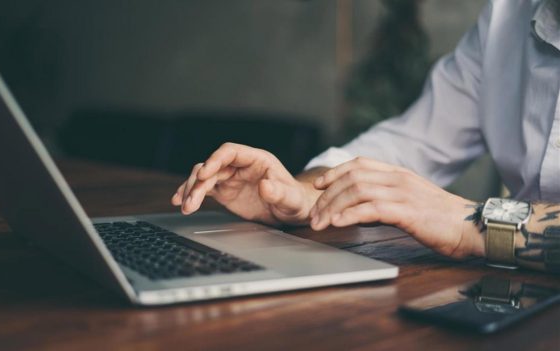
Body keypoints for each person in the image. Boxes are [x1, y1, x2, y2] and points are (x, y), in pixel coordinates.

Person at [172, 0, 560, 273]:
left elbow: (458, 219)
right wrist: (306, 194)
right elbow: (412, 142)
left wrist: (467, 223)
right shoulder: (508, 14)